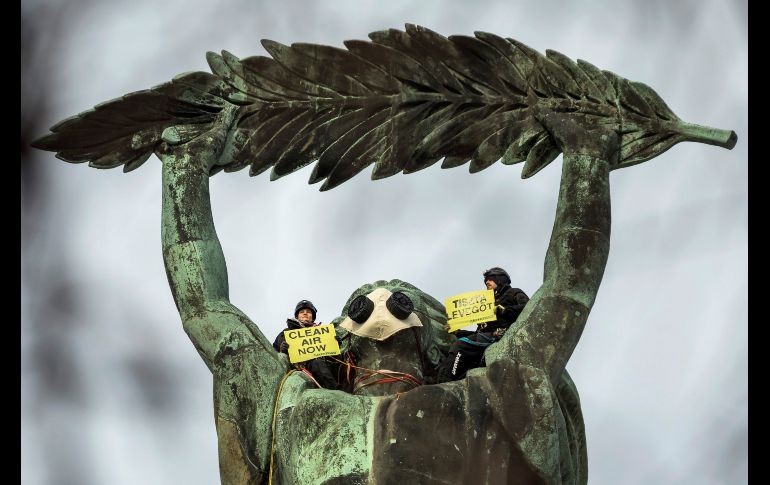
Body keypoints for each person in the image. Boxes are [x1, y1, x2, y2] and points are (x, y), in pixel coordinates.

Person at [436, 267, 530, 382]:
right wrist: (457, 331)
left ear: (500, 279)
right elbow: (478, 334)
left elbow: (528, 308)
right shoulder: (486, 303)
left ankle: (444, 381)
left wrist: (503, 310)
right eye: (486, 281)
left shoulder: (513, 292)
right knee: (458, 349)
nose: (487, 282)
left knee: (460, 345)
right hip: (486, 336)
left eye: (490, 279)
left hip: (500, 334)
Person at [272, 299, 342, 390]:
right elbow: (274, 354)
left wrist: (335, 344)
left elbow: (334, 358)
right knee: (317, 363)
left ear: (312, 317)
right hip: (299, 368)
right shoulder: (286, 333)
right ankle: (336, 391)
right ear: (297, 316)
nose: (305, 313)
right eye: (302, 312)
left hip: (327, 366)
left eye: (308, 312)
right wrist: (282, 350)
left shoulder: (323, 333)